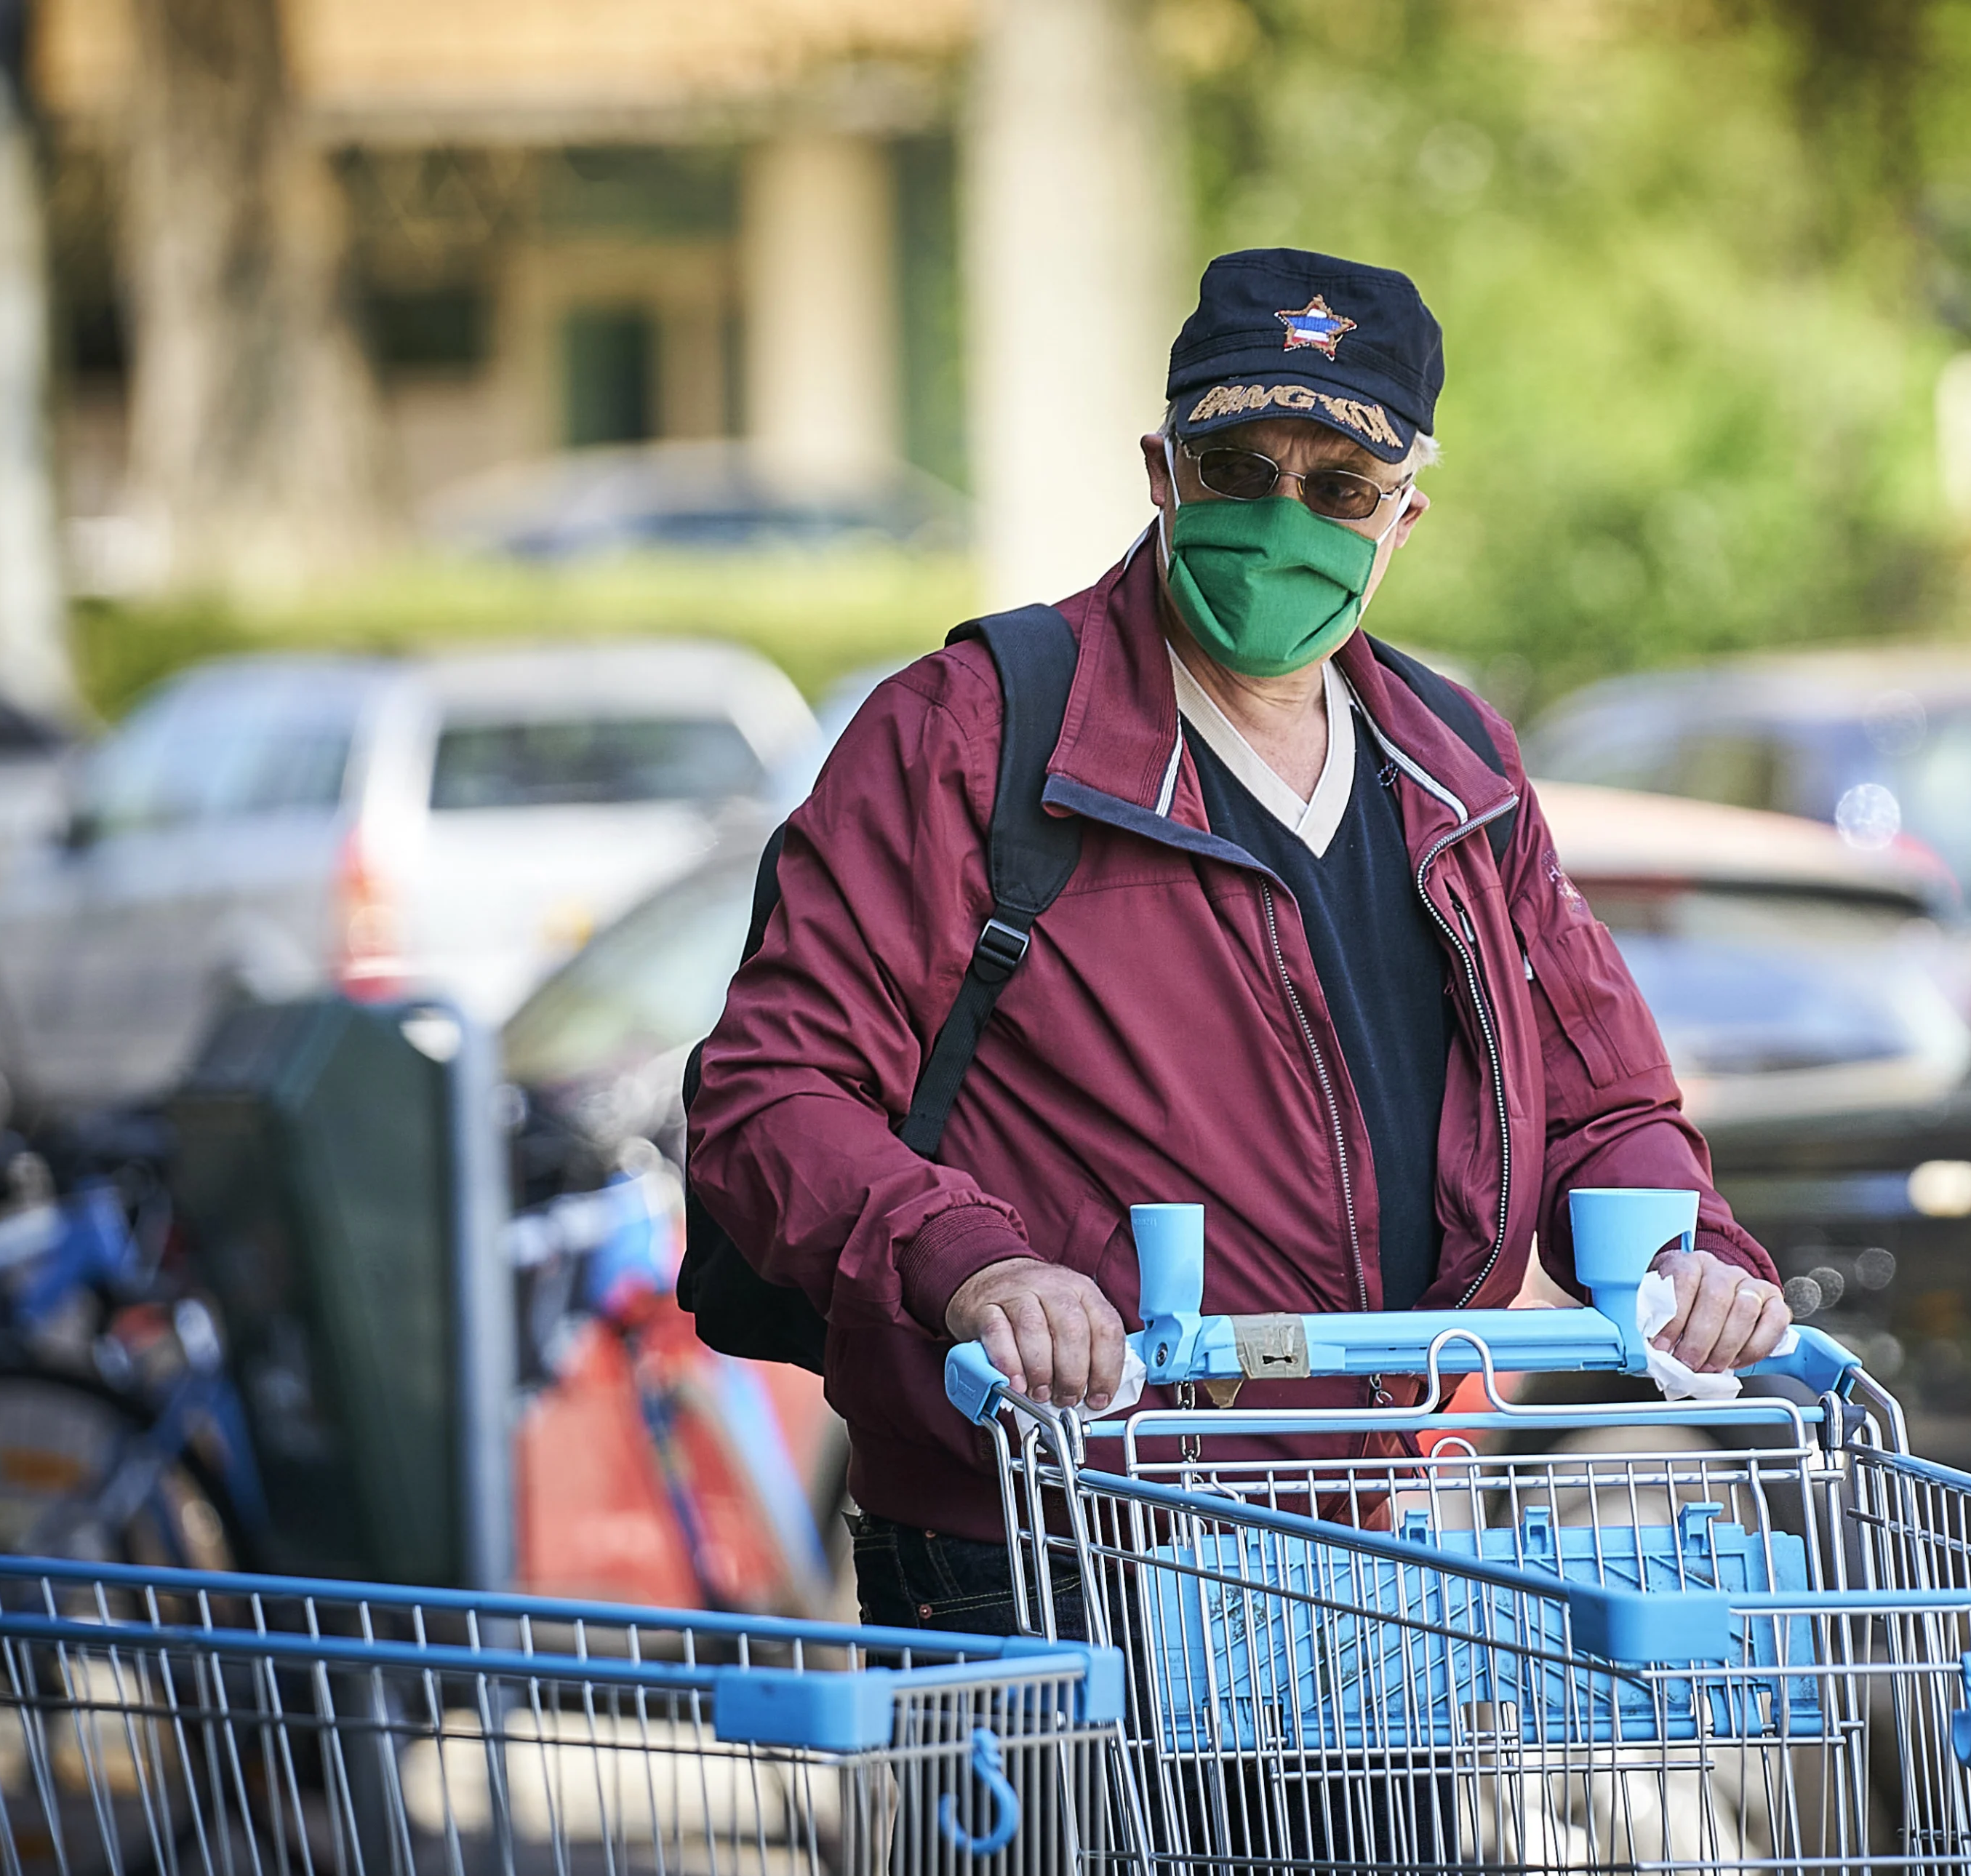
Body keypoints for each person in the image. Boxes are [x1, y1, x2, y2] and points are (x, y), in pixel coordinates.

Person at [686, 247, 1789, 1636]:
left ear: (1405, 516)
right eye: (1237, 468)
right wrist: (977, 1264)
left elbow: (1601, 1103)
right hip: (1042, 1542)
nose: (1282, 518)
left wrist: (1693, 1256)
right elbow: (769, 1094)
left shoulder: (1460, 770)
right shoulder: (972, 732)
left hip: (1365, 1537)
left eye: (1339, 487)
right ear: (1162, 471)